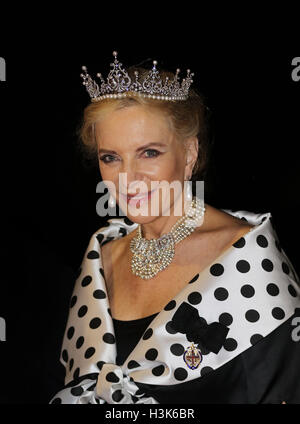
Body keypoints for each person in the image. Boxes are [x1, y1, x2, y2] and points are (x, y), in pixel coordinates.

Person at [49, 52, 300, 404]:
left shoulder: (247, 258)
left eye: (149, 153)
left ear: (190, 154)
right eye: (111, 157)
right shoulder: (101, 258)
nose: (127, 178)